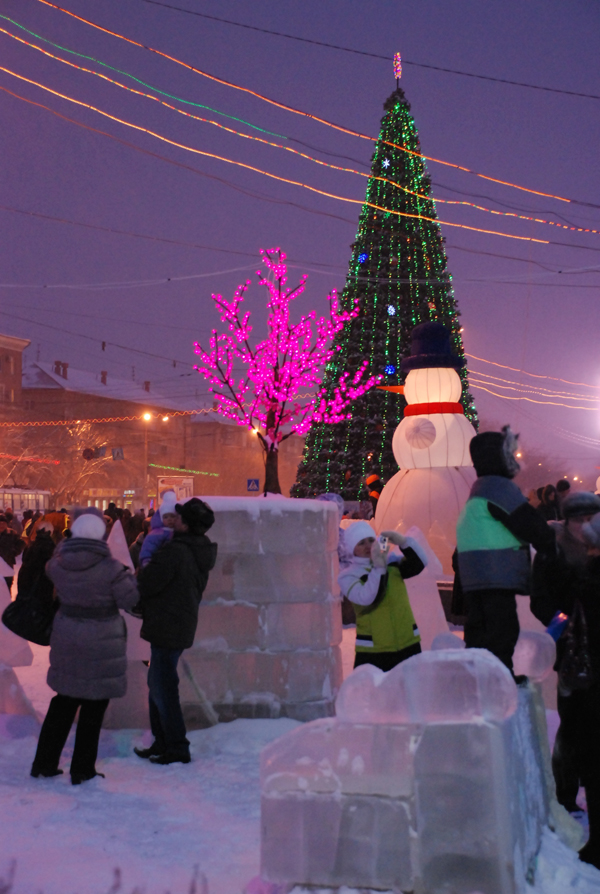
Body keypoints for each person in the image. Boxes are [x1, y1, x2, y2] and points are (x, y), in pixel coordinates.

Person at [30, 510, 138, 784]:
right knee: (93, 706)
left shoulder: (58, 564)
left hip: (67, 632)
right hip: (101, 639)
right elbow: (130, 599)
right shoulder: (112, 569)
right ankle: (82, 769)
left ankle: (44, 763)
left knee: (63, 701)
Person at [531, 493, 600, 863]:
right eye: (581, 518)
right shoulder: (554, 552)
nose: (587, 525)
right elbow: (540, 597)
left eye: (594, 517)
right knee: (573, 729)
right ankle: (566, 795)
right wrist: (561, 619)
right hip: (575, 659)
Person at [455, 426, 555, 675]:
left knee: (480, 633)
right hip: (495, 575)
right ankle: (500, 682)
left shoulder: (479, 489)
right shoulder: (498, 488)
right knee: (502, 632)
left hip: (475, 577)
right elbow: (529, 523)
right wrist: (552, 546)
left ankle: (480, 681)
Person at [136, 498, 217, 765]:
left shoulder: (176, 551)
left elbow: (148, 582)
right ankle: (163, 742)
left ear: (187, 525)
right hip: (177, 623)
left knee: (163, 688)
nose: (175, 520)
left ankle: (176, 747)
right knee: (158, 683)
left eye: (179, 517)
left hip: (167, 625)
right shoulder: (197, 549)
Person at [338, 522, 426, 672]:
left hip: (408, 643)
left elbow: (420, 563)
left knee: (411, 693)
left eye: (371, 540)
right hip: (374, 651)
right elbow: (366, 598)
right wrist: (379, 567)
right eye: (361, 543)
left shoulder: (391, 562)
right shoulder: (348, 576)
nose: (368, 546)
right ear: (352, 549)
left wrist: (404, 543)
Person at [138, 492, 178, 567]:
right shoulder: (156, 533)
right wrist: (146, 561)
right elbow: (148, 548)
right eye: (166, 517)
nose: (169, 519)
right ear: (161, 518)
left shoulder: (179, 531)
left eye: (172, 516)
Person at [0, 512, 24, 592]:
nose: (2, 525)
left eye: (4, 523)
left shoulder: (11, 533)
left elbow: (21, 543)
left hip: (8, 563)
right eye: (0, 523)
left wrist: (14, 552)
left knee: (7, 586)